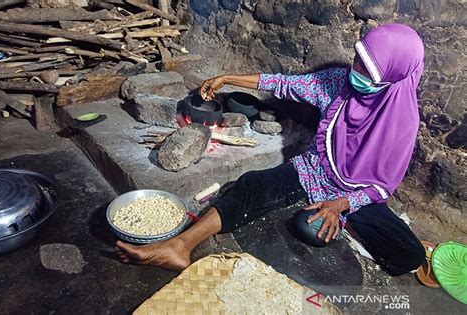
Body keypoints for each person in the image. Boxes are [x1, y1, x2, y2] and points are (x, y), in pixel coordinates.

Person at [115, 23, 425, 276]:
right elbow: (285, 83)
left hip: (356, 193)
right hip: (316, 169)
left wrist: (341, 204)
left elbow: (381, 187)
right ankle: (179, 246)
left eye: (368, 68)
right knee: (253, 184)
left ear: (394, 75)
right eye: (358, 58)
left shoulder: (403, 120)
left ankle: (347, 223)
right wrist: (228, 77)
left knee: (408, 254)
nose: (356, 69)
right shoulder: (338, 83)